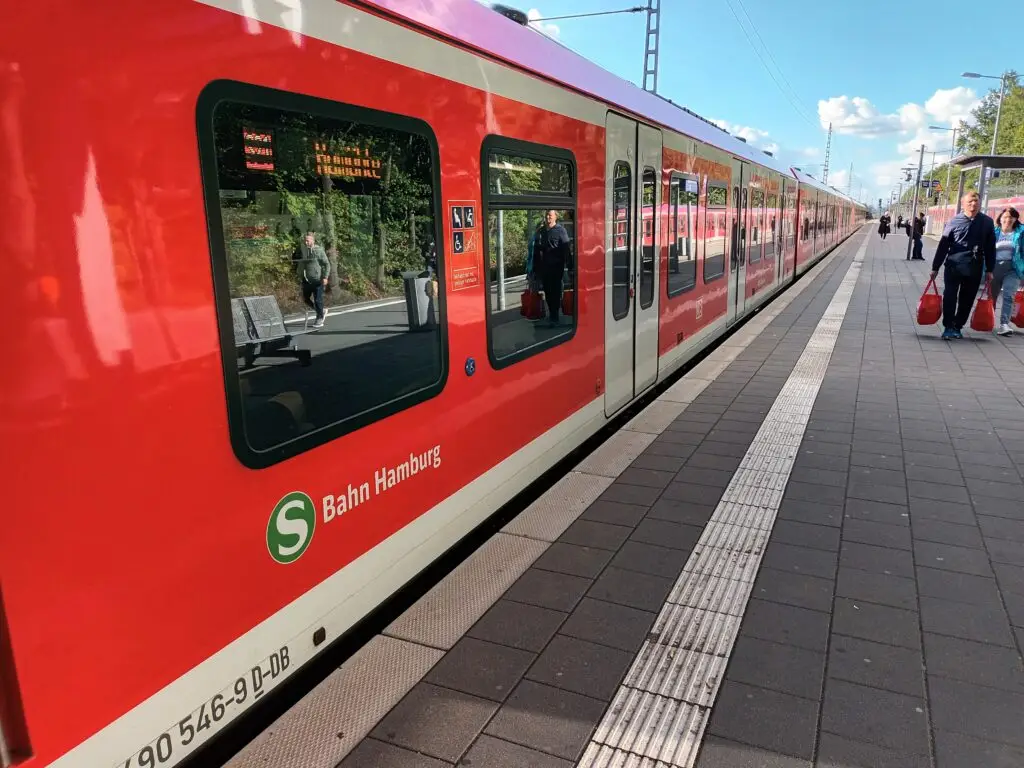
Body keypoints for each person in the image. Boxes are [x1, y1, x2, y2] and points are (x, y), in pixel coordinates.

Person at [930, 191, 996, 339]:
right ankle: (947, 326)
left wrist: (990, 269)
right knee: (950, 295)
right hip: (954, 265)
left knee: (968, 298)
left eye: (976, 202)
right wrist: (935, 267)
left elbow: (990, 247)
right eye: (970, 202)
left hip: (975, 265)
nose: (973, 204)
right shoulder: (954, 221)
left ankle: (958, 326)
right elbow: (943, 245)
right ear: (963, 203)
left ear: (980, 203)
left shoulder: (987, 222)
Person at [990, 207, 1024, 336]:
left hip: (1013, 269)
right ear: (1000, 218)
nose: (1008, 220)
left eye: (1011, 217)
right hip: (994, 268)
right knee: (992, 297)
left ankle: (1004, 324)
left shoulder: (1021, 233)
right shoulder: (994, 232)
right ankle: (989, 320)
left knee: (1009, 296)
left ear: (1015, 219)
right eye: (1005, 217)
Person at [534, 210, 571, 327]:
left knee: (555, 290)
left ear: (556, 217)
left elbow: (566, 249)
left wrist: (570, 267)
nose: (547, 217)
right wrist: (535, 267)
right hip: (544, 267)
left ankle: (554, 315)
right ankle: (552, 312)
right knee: (547, 291)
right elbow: (537, 249)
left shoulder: (561, 231)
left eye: (550, 215)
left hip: (556, 266)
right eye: (546, 215)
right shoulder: (541, 231)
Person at [294, 231, 331, 328]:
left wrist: (325, 277)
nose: (306, 243)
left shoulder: (319, 251)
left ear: (312, 241)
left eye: (307, 241)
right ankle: (321, 310)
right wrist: (299, 274)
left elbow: (327, 264)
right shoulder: (303, 251)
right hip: (306, 280)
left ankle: (319, 318)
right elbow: (300, 264)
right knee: (306, 299)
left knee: (318, 300)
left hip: (317, 279)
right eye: (304, 241)